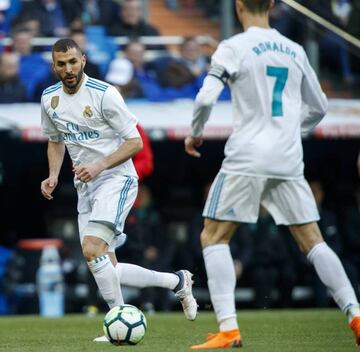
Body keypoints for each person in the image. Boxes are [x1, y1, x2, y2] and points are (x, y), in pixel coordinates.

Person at [184, 0, 360, 349]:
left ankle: (229, 329)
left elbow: (205, 99)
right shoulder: (295, 49)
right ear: (272, 5)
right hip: (288, 158)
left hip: (247, 156)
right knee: (314, 241)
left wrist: (196, 132)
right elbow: (321, 106)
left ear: (238, 7)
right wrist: (293, 132)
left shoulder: (234, 47)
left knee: (214, 237)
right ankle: (356, 315)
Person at [40, 38, 197, 341]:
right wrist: (52, 175)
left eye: (73, 61)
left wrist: (99, 166)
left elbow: (135, 142)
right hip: (85, 186)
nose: (68, 69)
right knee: (104, 263)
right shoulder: (49, 98)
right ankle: (176, 282)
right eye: (62, 64)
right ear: (54, 66)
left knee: (91, 248)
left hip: (116, 179)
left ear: (83, 60)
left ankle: (117, 320)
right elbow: (55, 140)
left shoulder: (105, 94)